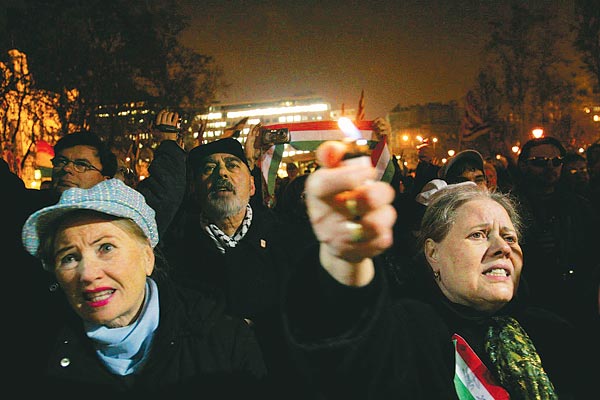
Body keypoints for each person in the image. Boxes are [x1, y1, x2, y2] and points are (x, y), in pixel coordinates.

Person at [15, 178, 267, 396]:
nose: (88, 274)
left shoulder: (225, 342)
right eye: (69, 257)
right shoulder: (33, 350)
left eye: (106, 248)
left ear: (148, 257)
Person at [511, 136, 599, 330]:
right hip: (532, 305)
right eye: (540, 163)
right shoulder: (511, 207)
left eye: (556, 161)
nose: (550, 168)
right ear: (524, 166)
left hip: (577, 302)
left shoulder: (579, 206)